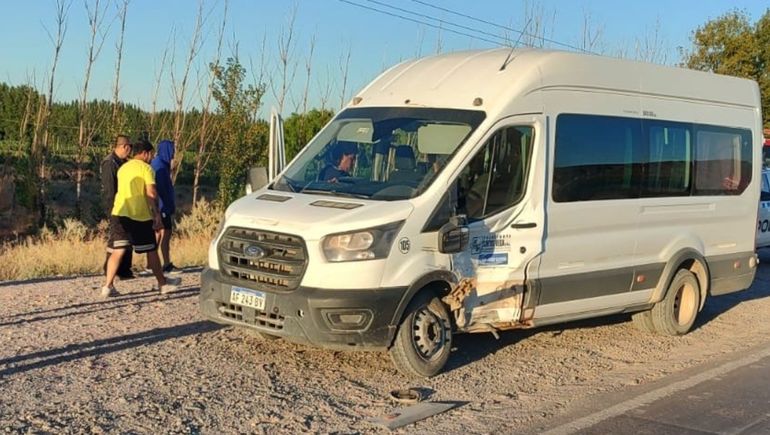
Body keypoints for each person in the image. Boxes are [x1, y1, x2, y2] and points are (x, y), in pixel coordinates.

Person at [101, 139, 180, 298]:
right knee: (151, 250)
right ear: (144, 153)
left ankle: (108, 286)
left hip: (120, 213)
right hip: (140, 216)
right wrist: (156, 215)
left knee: (118, 250)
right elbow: (151, 193)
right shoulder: (146, 169)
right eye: (151, 154)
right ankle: (162, 284)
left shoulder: (123, 167)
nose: (152, 157)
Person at [101, 135, 134, 280]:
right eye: (130, 147)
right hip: (116, 206)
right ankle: (116, 269)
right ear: (125, 146)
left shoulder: (123, 162)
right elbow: (110, 189)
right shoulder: (109, 163)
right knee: (118, 238)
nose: (130, 151)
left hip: (126, 205)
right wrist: (113, 208)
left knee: (122, 238)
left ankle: (122, 269)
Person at [150, 139, 180, 274]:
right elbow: (161, 190)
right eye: (172, 150)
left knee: (158, 234)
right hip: (162, 208)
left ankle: (152, 264)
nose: (174, 154)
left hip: (161, 207)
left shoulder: (160, 164)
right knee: (165, 234)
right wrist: (164, 209)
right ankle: (165, 264)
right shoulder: (161, 167)